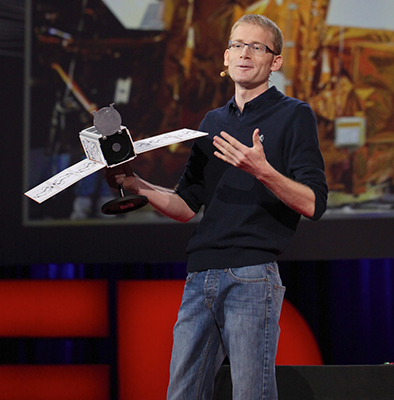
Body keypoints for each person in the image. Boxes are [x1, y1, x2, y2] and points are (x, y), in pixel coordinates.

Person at [106, 14, 328, 400]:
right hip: (199, 277)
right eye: (238, 45)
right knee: (182, 394)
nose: (245, 53)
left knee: (251, 394)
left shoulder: (294, 115)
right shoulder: (211, 122)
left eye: (257, 47)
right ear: (225, 58)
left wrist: (262, 170)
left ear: (274, 61)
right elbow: (186, 205)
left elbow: (314, 203)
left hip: (252, 275)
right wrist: (136, 184)